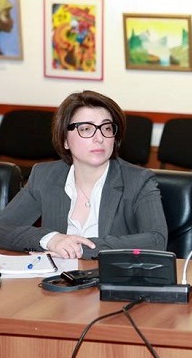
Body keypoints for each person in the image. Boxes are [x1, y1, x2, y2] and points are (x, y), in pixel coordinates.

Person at [0, 90, 167, 259]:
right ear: (65, 140)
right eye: (86, 129)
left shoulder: (138, 180)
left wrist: (80, 249)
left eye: (106, 128)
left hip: (110, 274)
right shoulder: (44, 176)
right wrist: (50, 239)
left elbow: (156, 240)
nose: (99, 138)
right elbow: (3, 228)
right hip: (57, 275)